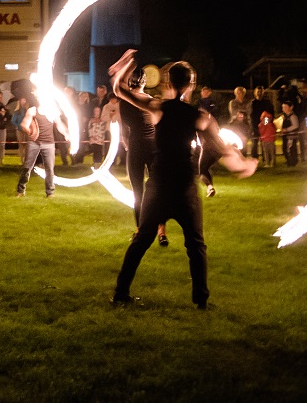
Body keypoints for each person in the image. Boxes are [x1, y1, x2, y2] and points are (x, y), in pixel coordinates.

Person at [109, 50, 257, 309]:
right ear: (191, 84)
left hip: (158, 185)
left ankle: (121, 294)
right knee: (196, 245)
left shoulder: (157, 108)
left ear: (168, 82)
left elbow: (119, 90)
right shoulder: (200, 117)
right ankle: (201, 300)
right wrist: (244, 165)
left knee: (142, 239)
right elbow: (223, 150)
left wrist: (123, 67)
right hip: (184, 187)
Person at [114, 66, 168, 246]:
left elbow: (124, 129)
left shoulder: (125, 102)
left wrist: (126, 142)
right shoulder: (150, 101)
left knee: (138, 192)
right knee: (158, 190)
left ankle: (139, 231)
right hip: (153, 147)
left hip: (136, 146)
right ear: (145, 82)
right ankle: (161, 231)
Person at [15, 95, 63, 198]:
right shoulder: (32, 110)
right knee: (27, 167)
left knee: (49, 169)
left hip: (49, 143)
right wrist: (30, 131)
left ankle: (50, 192)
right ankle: (20, 190)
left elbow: (59, 125)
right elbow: (24, 124)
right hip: (34, 143)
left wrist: (67, 134)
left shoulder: (53, 111)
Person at [249, 86, 274, 161]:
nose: (259, 93)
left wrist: (265, 124)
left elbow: (270, 113)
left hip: (265, 125)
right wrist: (254, 126)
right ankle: (254, 159)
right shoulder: (252, 103)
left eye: (261, 92)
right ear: (255, 93)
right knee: (254, 143)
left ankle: (266, 159)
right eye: (258, 92)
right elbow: (250, 115)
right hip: (255, 125)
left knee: (265, 143)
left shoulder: (267, 103)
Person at [280, 100, 300, 167]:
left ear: (290, 107)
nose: (283, 109)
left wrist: (287, 130)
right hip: (286, 135)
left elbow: (295, 125)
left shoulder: (293, 116)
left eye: (285, 107)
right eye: (283, 107)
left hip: (291, 136)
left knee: (291, 149)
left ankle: (292, 162)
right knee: (286, 148)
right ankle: (289, 161)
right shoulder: (285, 116)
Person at [11, 96, 30, 165]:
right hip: (20, 130)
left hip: (27, 130)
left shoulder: (28, 110)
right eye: (22, 100)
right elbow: (13, 120)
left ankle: (27, 160)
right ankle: (22, 160)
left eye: (24, 100)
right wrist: (18, 125)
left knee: (28, 145)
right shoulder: (17, 111)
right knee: (21, 145)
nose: (23, 102)